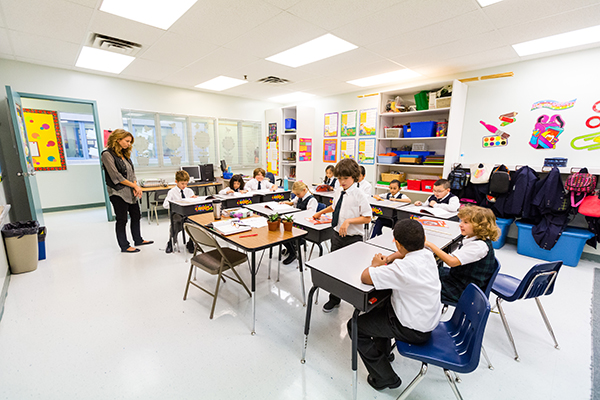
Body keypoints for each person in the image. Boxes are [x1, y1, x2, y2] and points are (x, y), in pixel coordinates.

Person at [348, 219, 442, 391]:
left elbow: (365, 277)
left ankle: (385, 377)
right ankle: (383, 353)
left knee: (355, 326)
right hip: (426, 320)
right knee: (380, 307)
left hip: (413, 330)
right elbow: (404, 255)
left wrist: (375, 265)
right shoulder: (427, 254)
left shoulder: (403, 268)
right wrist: (390, 257)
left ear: (397, 244)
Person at [313, 158, 372, 312]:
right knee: (335, 268)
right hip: (337, 235)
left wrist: (349, 222)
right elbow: (335, 206)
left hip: (353, 239)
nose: (342, 181)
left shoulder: (360, 195)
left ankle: (356, 302)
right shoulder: (339, 191)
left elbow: (367, 217)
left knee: (352, 270)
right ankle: (334, 298)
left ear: (354, 177)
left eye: (345, 178)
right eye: (339, 178)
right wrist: (320, 212)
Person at [426, 206, 500, 304]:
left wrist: (429, 244)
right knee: (429, 271)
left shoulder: (479, 246)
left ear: (480, 226)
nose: (460, 225)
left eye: (466, 222)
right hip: (461, 278)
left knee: (423, 283)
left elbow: (452, 262)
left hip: (464, 289)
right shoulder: (474, 238)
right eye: (461, 221)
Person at [101, 129, 153, 253]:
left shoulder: (125, 155)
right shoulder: (107, 154)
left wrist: (136, 185)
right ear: (118, 139)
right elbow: (116, 176)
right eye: (127, 141)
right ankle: (124, 246)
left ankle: (138, 239)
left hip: (130, 191)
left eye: (130, 142)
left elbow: (132, 173)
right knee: (122, 219)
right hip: (118, 193)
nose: (129, 144)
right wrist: (134, 186)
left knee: (136, 216)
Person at [281, 181, 319, 265]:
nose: (297, 196)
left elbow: (310, 215)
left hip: (304, 226)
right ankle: (291, 248)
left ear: (304, 190)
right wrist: (285, 203)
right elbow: (293, 202)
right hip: (297, 221)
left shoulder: (312, 200)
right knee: (281, 228)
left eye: (298, 194)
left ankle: (292, 252)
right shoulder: (300, 197)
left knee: (286, 232)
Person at [163, 170, 198, 254]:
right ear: (176, 182)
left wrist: (194, 199)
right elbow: (165, 205)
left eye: (186, 183)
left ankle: (191, 243)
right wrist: (176, 204)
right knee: (175, 223)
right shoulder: (171, 192)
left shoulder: (189, 191)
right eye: (182, 183)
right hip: (177, 214)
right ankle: (171, 242)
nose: (184, 186)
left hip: (188, 214)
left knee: (194, 222)